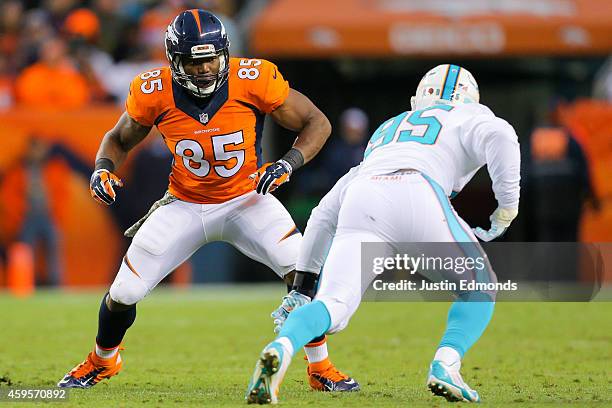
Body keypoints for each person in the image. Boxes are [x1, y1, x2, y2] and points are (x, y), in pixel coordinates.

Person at [57, 9, 359, 392]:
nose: (203, 70)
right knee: (124, 293)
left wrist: (288, 163)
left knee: (302, 273)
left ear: (225, 53)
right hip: (184, 202)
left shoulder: (255, 78)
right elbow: (119, 137)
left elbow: (316, 122)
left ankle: (320, 367)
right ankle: (103, 360)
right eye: (193, 62)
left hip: (247, 200)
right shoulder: (154, 89)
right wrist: (103, 167)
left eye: (210, 59)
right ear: (173, 60)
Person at [246, 64, 521, 404]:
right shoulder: (469, 114)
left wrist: (303, 284)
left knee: (333, 305)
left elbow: (323, 213)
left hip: (364, 194)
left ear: (417, 99)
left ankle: (281, 348)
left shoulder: (389, 129)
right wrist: (507, 205)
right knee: (479, 287)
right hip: (417, 188)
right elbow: (502, 135)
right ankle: (446, 364)